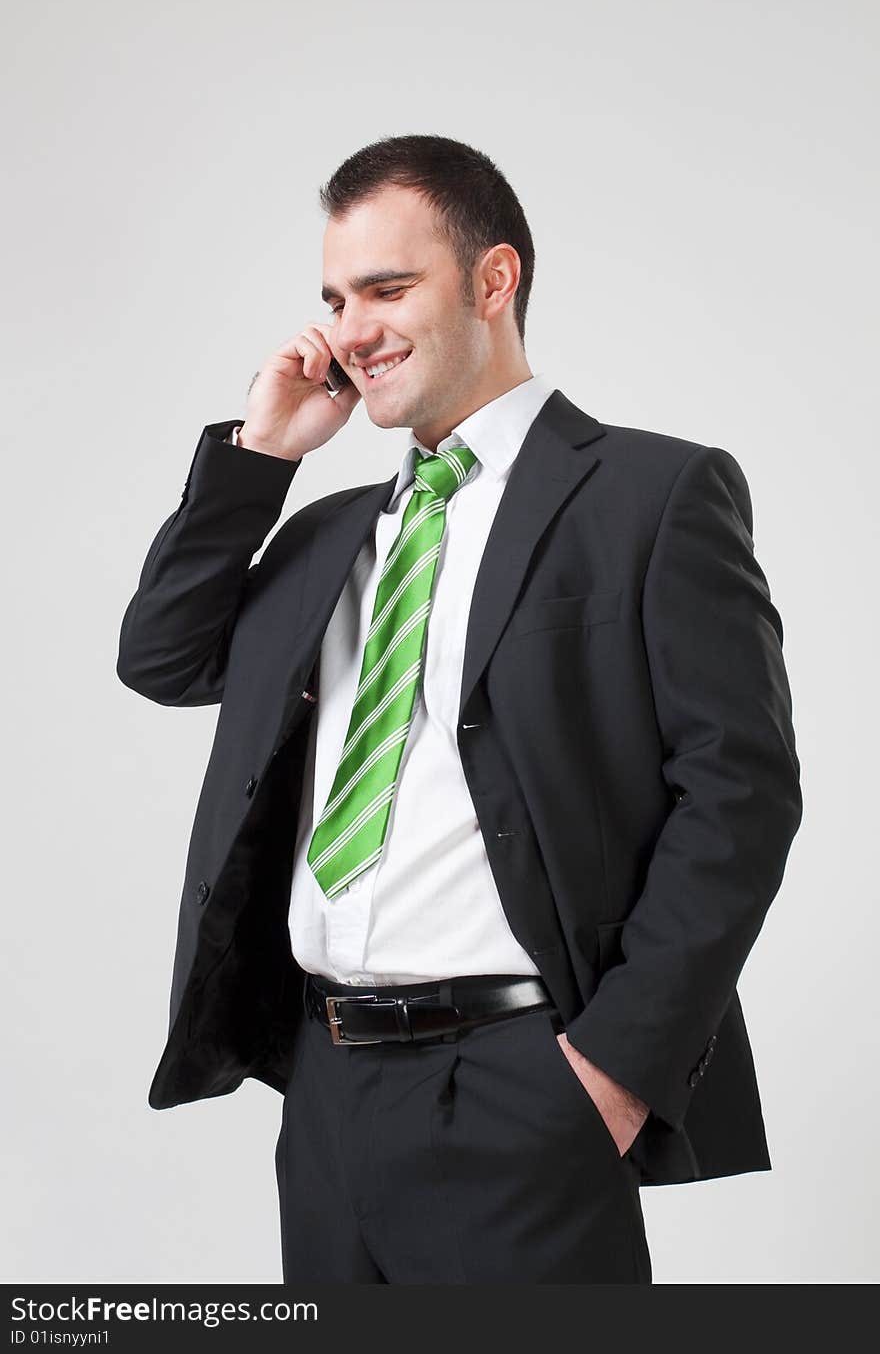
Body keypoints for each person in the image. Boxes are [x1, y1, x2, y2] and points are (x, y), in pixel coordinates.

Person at [116, 133, 802, 1284]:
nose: (351, 328)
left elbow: (739, 795)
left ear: (494, 280)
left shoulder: (650, 496)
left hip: (521, 1086)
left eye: (389, 288)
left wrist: (613, 1073)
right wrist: (262, 453)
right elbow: (163, 655)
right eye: (335, 297)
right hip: (324, 1092)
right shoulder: (329, 539)